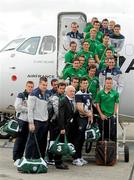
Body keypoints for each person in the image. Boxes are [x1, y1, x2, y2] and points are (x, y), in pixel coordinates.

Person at [25, 76, 50, 159]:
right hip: (36, 121)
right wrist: (31, 123)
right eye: (43, 85)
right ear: (39, 84)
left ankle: (38, 158)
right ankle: (28, 158)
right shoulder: (33, 94)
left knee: (42, 142)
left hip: (44, 121)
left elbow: (46, 108)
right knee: (32, 142)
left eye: (46, 85)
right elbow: (30, 110)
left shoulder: (46, 94)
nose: (45, 87)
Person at [13, 81, 34, 166]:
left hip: (29, 121)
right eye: (29, 86)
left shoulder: (32, 96)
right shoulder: (21, 95)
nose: (30, 88)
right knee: (19, 140)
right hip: (21, 120)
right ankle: (16, 158)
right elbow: (17, 107)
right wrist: (28, 109)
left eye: (32, 87)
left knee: (25, 140)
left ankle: (21, 157)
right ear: (26, 86)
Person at [73, 77, 93, 166]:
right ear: (80, 84)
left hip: (87, 118)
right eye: (83, 83)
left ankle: (80, 157)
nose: (85, 84)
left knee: (83, 139)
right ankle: (75, 158)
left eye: (86, 83)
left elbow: (90, 105)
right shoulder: (78, 94)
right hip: (80, 118)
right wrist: (87, 114)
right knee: (78, 138)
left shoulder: (89, 93)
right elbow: (79, 107)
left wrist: (91, 115)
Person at [57, 85, 78, 169]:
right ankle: (58, 163)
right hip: (63, 127)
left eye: (74, 91)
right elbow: (61, 116)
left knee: (64, 144)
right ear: (66, 92)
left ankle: (61, 161)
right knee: (61, 144)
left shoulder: (71, 101)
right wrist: (62, 128)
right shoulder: (63, 101)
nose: (73, 93)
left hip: (69, 127)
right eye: (71, 91)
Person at [48, 82, 67, 169]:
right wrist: (62, 125)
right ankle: (51, 158)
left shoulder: (63, 97)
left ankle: (56, 160)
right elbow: (57, 111)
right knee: (53, 141)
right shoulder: (55, 97)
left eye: (64, 89)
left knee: (58, 142)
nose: (62, 90)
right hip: (54, 122)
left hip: (60, 122)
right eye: (61, 88)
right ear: (57, 88)